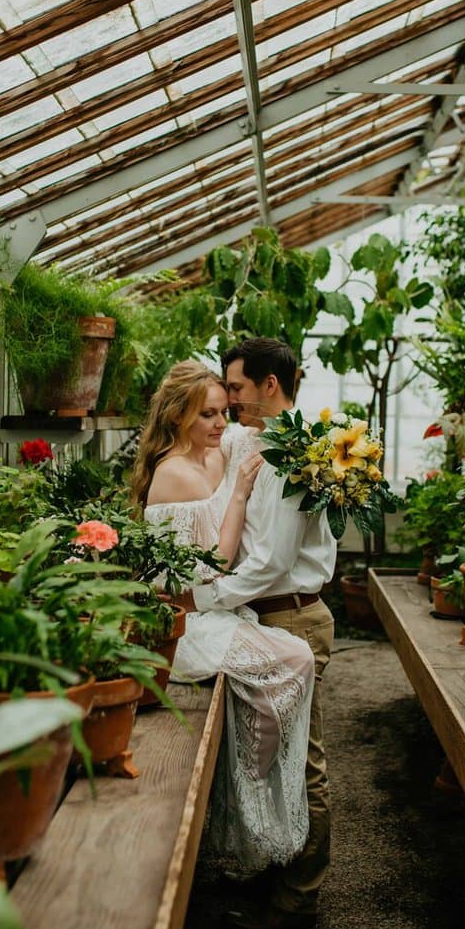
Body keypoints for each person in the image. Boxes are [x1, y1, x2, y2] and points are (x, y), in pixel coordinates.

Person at [131, 360, 315, 878]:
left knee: (291, 663)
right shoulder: (172, 474)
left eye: (221, 409)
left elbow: (266, 429)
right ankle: (251, 795)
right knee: (292, 659)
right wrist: (236, 494)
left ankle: (249, 791)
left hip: (219, 607)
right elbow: (212, 561)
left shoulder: (222, 447)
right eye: (206, 414)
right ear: (177, 418)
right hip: (186, 619)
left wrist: (330, 454)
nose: (220, 421)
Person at [188, 337, 337, 929]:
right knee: (264, 754)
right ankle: (269, 868)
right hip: (268, 613)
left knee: (301, 762)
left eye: (239, 390)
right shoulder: (263, 443)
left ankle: (298, 901)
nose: (230, 401)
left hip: (289, 614)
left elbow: (271, 563)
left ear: (270, 386)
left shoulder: (291, 457)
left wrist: (203, 597)